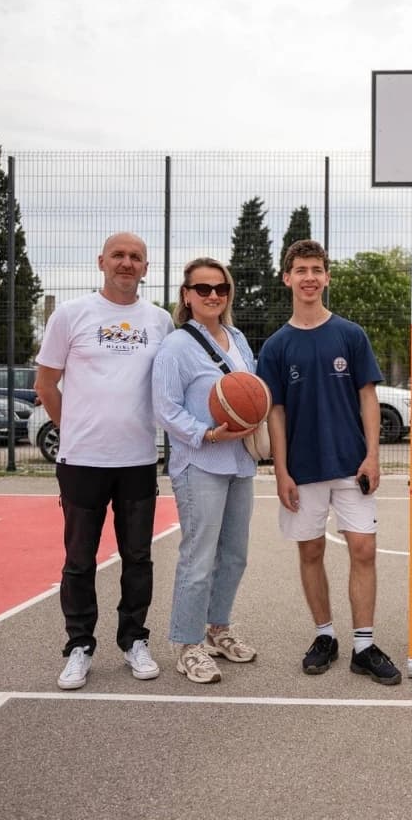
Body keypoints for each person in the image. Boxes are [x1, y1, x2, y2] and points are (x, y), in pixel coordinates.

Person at [256, 239, 401, 686]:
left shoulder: (350, 334)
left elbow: (368, 396)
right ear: (287, 278)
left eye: (317, 269)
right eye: (301, 270)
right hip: (303, 468)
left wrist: (373, 455)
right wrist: (281, 471)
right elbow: (274, 412)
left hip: (351, 464)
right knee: (312, 550)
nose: (310, 278)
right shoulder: (277, 346)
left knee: (364, 549)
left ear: (327, 278)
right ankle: (325, 637)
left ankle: (363, 645)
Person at [35, 232, 175, 690]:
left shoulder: (159, 322)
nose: (127, 263)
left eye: (136, 257)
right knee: (79, 559)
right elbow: (46, 384)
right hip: (81, 460)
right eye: (119, 255)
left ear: (146, 268)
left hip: (136, 459)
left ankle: (134, 639)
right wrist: (72, 427)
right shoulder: (71, 315)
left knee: (138, 557)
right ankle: (79, 646)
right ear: (101, 261)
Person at [152, 257, 262, 684]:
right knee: (198, 558)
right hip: (200, 461)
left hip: (241, 462)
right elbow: (164, 408)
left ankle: (218, 629)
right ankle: (187, 643)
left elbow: (250, 393)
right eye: (203, 288)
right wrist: (205, 433)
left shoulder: (236, 338)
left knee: (234, 556)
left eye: (221, 288)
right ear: (186, 296)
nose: (213, 295)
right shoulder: (176, 347)